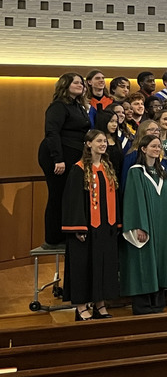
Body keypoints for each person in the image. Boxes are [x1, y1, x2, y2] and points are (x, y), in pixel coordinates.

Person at [61, 129, 120, 320]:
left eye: (105, 141)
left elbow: (114, 197)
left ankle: (99, 304)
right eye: (99, 141)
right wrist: (78, 227)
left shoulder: (107, 168)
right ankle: (81, 307)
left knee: (103, 266)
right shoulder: (78, 169)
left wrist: (116, 223)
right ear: (88, 144)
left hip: (105, 227)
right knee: (82, 267)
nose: (103, 144)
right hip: (86, 229)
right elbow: (74, 200)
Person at [121, 135, 167, 314]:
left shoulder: (163, 173)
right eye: (153, 146)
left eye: (159, 146)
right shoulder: (135, 172)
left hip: (163, 227)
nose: (156, 149)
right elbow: (133, 201)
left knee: (161, 263)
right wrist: (139, 226)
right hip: (146, 227)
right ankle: (143, 305)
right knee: (144, 263)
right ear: (143, 149)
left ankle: (158, 303)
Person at [39, 72, 92, 249]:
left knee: (68, 195)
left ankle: (65, 233)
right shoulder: (58, 106)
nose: (81, 85)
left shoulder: (78, 106)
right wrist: (58, 159)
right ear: (65, 85)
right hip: (57, 156)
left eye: (82, 83)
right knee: (57, 194)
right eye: (76, 82)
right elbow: (51, 132)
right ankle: (53, 238)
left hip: (72, 155)